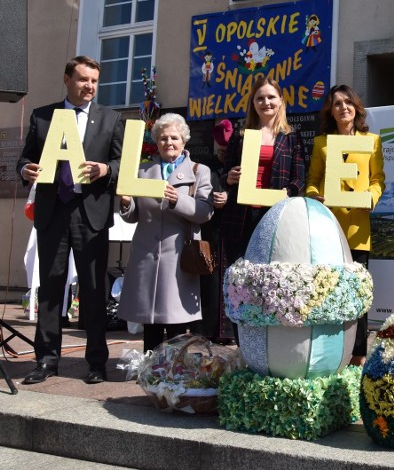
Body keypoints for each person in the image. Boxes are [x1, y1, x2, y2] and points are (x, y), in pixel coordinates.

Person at [17, 55, 124, 385]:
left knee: (93, 290)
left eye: (94, 80)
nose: (89, 86)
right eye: (82, 79)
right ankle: (47, 360)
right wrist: (25, 169)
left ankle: (96, 362)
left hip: (90, 212)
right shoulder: (43, 117)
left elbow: (123, 162)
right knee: (50, 288)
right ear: (67, 79)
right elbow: (26, 157)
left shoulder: (111, 118)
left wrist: (107, 169)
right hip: (54, 211)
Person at [117, 113, 214, 352]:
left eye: (174, 137)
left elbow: (205, 211)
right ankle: (151, 367)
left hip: (178, 255)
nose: (168, 142)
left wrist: (177, 200)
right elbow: (132, 216)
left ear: (184, 141)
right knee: (150, 319)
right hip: (146, 254)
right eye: (163, 138)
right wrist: (126, 203)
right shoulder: (142, 171)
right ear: (156, 142)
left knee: (176, 321)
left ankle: (174, 370)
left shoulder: (200, 171)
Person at [306, 85, 385, 365]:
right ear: (330, 110)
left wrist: (371, 198)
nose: (343, 108)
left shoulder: (371, 141)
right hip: (328, 227)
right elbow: (312, 180)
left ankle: (358, 353)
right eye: (337, 103)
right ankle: (329, 352)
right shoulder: (321, 144)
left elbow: (378, 180)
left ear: (356, 107)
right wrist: (316, 196)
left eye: (347, 102)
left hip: (358, 228)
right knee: (328, 292)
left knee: (357, 294)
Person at [220, 76, 306, 268]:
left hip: (274, 213)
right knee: (239, 274)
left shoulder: (292, 137)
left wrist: (287, 193)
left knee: (271, 273)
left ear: (281, 100)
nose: (266, 103)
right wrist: (230, 178)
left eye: (271, 97)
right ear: (253, 103)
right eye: (260, 98)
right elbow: (224, 175)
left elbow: (299, 179)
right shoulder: (239, 135)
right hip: (240, 215)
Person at [198, 119, 234, 343]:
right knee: (209, 278)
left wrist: (228, 196)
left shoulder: (239, 166)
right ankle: (208, 329)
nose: (222, 154)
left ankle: (229, 331)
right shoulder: (205, 166)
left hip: (232, 227)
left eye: (226, 150)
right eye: (219, 149)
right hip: (211, 229)